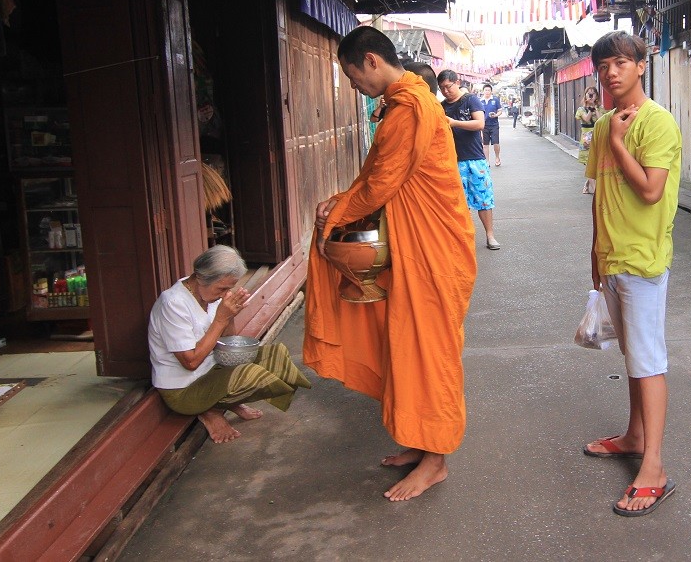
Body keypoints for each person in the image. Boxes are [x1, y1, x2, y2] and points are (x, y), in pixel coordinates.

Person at [304, 28, 477, 502]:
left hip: (434, 251)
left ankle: (436, 460)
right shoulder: (408, 104)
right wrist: (341, 200)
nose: (354, 85)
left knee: (429, 348)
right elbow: (381, 176)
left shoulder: (411, 109)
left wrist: (337, 211)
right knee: (404, 340)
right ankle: (421, 445)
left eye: (352, 74)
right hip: (415, 246)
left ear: (373, 61)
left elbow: (381, 184)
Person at [582, 31, 681, 517]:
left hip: (643, 260)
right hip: (613, 258)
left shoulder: (657, 124)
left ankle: (655, 468)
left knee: (648, 359)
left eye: (620, 62)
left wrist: (620, 141)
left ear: (641, 65)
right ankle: (635, 436)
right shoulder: (603, 125)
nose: (611, 72)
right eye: (603, 65)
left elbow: (649, 192)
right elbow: (600, 193)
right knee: (632, 355)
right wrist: (594, 255)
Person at [148, 245, 311, 444]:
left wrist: (230, 315)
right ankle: (211, 411)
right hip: (184, 389)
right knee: (252, 376)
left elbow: (228, 342)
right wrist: (220, 319)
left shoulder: (210, 293)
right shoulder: (173, 303)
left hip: (213, 370)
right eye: (222, 288)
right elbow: (190, 362)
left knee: (276, 356)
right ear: (200, 279)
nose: (225, 293)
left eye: (229, 288)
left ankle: (226, 402)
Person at [438, 69, 501, 250]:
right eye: (442, 88)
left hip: (475, 158)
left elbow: (479, 124)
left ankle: (490, 236)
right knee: (458, 204)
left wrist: (454, 123)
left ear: (457, 82)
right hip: (453, 160)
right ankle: (464, 239)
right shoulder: (442, 107)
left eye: (448, 86)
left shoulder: (470, 100)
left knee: (484, 199)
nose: (445, 91)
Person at [576, 86, 601, 194]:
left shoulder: (599, 108)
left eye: (593, 94)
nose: (590, 96)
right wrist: (590, 109)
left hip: (597, 139)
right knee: (588, 163)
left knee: (595, 165)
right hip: (586, 140)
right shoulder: (581, 110)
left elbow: (601, 121)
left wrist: (595, 108)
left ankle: (587, 185)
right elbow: (586, 119)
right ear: (585, 95)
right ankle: (596, 191)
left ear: (596, 96)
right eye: (588, 94)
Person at [478, 83, 502, 166]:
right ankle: (487, 161)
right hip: (484, 125)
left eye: (489, 90)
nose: (487, 92)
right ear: (483, 91)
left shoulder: (495, 100)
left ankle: (497, 157)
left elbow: (500, 111)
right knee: (485, 144)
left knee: (496, 143)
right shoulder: (480, 101)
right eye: (486, 90)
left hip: (494, 124)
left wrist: (496, 115)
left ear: (491, 91)